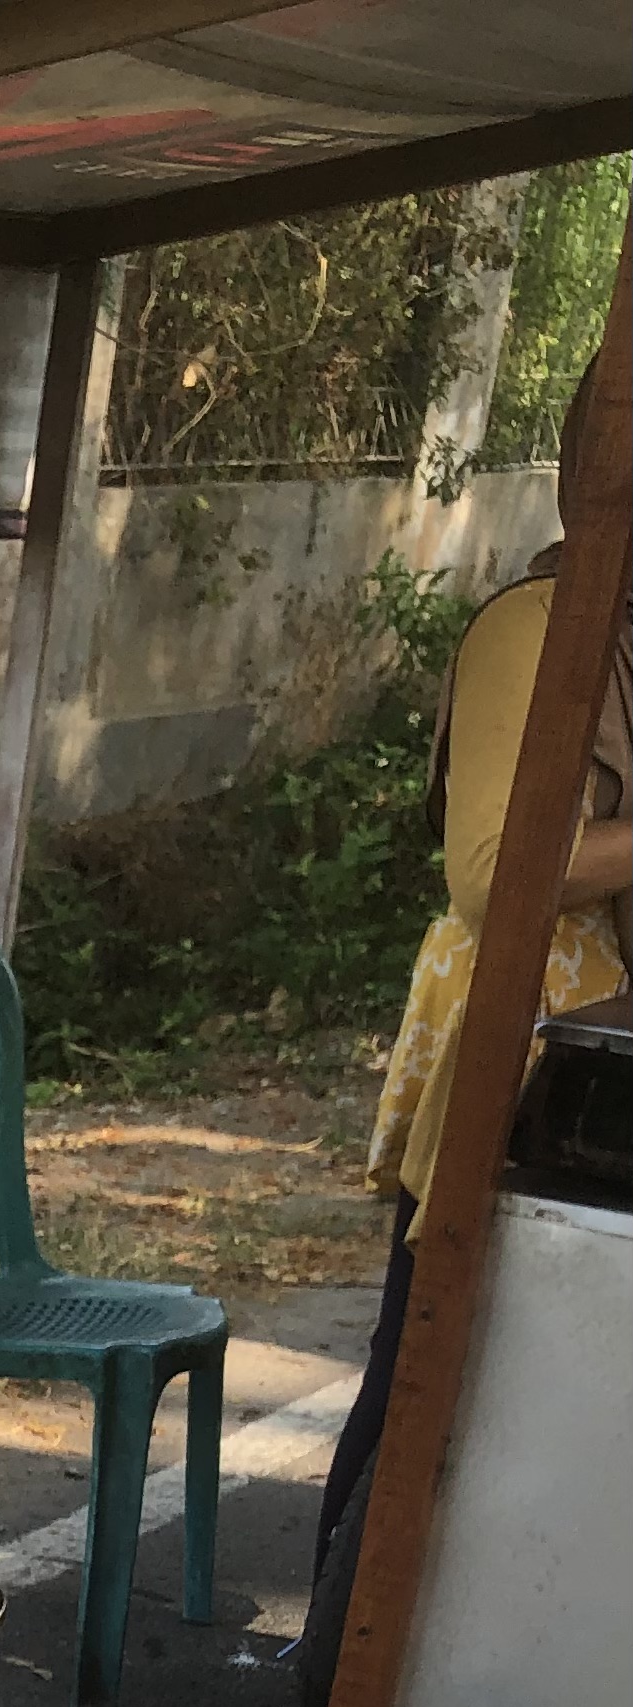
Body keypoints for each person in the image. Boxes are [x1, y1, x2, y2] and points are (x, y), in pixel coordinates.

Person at [315, 358, 633, 1570]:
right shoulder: (535, 627)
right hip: (518, 1024)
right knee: (431, 1370)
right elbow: (491, 871)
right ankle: (334, 1678)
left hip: (599, 1059)